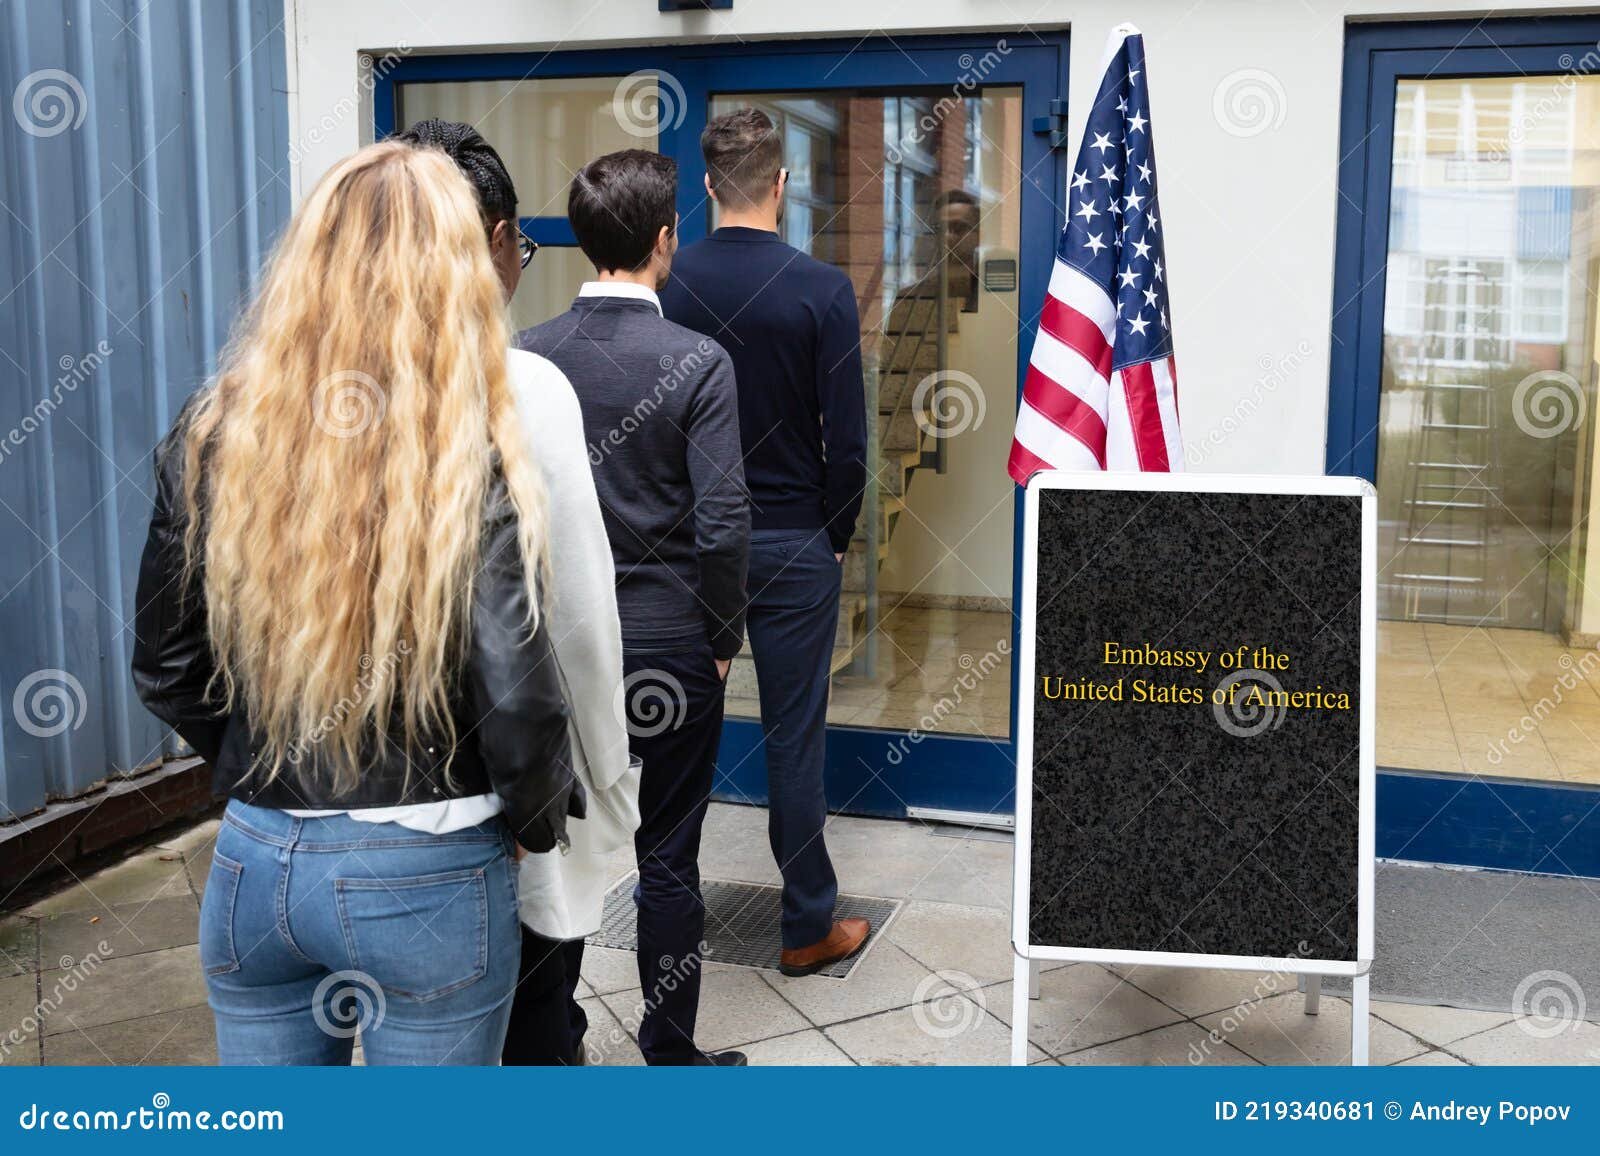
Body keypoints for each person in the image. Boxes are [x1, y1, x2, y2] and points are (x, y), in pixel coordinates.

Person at [130, 140, 577, 1065]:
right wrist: (534, 828)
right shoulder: (468, 451)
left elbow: (168, 667)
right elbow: (520, 701)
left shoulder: (216, 430)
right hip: (432, 870)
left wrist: (271, 763)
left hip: (255, 865)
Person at [393, 119, 641, 1066]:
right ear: (495, 240)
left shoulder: (290, 389)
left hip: (323, 821)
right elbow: (574, 616)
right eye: (522, 249)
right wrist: (604, 771)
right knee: (537, 1026)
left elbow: (179, 658)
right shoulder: (522, 386)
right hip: (491, 807)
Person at [515, 148, 750, 1065]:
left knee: (557, 847)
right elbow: (725, 518)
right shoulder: (698, 362)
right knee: (670, 853)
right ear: (665, 241)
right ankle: (671, 1049)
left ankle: (555, 1037)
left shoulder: (525, 353)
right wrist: (722, 637)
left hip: (560, 646)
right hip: (669, 645)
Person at [660, 108, 871, 976]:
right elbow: (848, 444)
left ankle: (668, 911)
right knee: (793, 738)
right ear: (780, 184)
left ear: (709, 186)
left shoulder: (669, 284)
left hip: (688, 546)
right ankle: (805, 926)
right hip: (790, 542)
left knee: (677, 733)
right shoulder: (822, 290)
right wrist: (833, 538)